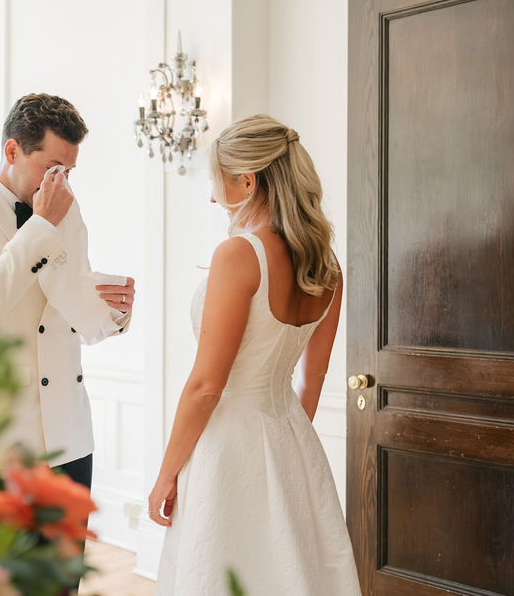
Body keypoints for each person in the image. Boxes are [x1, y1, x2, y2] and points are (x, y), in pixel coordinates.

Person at [149, 114, 360, 595]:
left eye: (215, 183)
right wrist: (285, 445)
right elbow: (312, 380)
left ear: (247, 180)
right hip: (289, 435)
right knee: (286, 570)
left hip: (227, 445)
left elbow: (207, 387)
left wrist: (166, 474)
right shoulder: (326, 266)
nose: (212, 197)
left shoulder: (238, 254)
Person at [0, 93, 136, 493]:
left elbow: (69, 292)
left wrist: (113, 310)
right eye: (51, 168)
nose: (59, 183)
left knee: (70, 558)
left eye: (68, 172)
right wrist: (41, 224)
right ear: (12, 150)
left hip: (70, 436)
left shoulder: (67, 211)